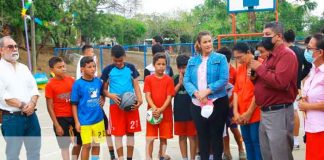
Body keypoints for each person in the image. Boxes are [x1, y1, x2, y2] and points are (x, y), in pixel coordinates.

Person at [250, 22, 298, 160]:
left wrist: (260, 68)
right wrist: (254, 77)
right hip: (265, 112)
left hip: (279, 112)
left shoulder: (287, 55)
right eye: (263, 34)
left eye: (267, 34)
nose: (264, 37)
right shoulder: (270, 55)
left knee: (280, 155)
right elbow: (265, 80)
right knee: (268, 155)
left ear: (278, 36)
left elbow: (280, 82)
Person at [184, 31, 229, 160]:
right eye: (205, 42)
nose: (208, 44)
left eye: (210, 41)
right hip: (197, 103)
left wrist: (207, 91)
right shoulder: (192, 61)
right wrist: (197, 94)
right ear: (199, 44)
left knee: (216, 135)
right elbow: (186, 80)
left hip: (218, 101)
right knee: (202, 136)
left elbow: (224, 79)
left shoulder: (221, 58)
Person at [0, 36, 41, 160]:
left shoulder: (23, 68)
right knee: (13, 154)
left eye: (16, 46)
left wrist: (32, 104)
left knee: (34, 152)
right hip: (12, 119)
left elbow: (33, 89)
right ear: (1, 50)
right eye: (10, 47)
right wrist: (23, 106)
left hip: (31, 116)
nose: (14, 49)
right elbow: (3, 96)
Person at [101, 45, 143, 160]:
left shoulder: (131, 68)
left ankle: (129, 158)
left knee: (131, 132)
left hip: (131, 105)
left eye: (121, 60)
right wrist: (110, 95)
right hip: (116, 107)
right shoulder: (108, 70)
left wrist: (140, 99)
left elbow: (136, 85)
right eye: (115, 60)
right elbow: (104, 90)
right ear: (111, 58)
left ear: (125, 56)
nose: (118, 63)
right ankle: (120, 158)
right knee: (118, 134)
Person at [45, 57, 82, 160]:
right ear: (52, 70)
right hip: (61, 119)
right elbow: (49, 107)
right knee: (64, 147)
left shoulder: (71, 80)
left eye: (64, 66)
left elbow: (79, 98)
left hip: (74, 117)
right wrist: (57, 125)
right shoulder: (50, 85)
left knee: (78, 143)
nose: (63, 69)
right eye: (59, 67)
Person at [71, 56, 106, 160]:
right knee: (86, 146)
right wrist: (77, 122)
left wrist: (103, 98)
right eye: (89, 67)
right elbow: (74, 104)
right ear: (82, 69)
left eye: (94, 66)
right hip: (85, 121)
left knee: (97, 144)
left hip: (98, 120)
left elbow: (102, 93)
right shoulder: (77, 84)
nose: (93, 69)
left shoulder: (98, 82)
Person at [231, 43, 262, 160]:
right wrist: (235, 112)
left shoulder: (259, 66)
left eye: (240, 57)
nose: (238, 60)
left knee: (256, 142)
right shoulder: (240, 69)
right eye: (236, 58)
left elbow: (259, 92)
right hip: (241, 114)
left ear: (249, 53)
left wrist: (249, 113)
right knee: (247, 142)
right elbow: (236, 91)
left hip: (255, 113)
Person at [283, 29, 312, 150]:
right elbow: (309, 66)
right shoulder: (301, 51)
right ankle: (294, 140)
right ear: (294, 38)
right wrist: (299, 76)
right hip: (295, 85)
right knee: (293, 111)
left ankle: (293, 141)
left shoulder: (284, 52)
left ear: (283, 38)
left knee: (291, 112)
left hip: (286, 85)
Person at [144, 53, 175, 160]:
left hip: (165, 113)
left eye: (163, 64)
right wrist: (154, 108)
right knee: (151, 138)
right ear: (154, 65)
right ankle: (149, 157)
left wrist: (161, 109)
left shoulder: (169, 80)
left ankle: (162, 156)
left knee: (163, 137)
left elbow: (169, 97)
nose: (161, 66)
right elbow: (147, 95)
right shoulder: (148, 79)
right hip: (152, 113)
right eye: (158, 64)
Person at [298, 33, 324, 160]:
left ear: (320, 52)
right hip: (311, 127)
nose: (306, 52)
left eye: (309, 48)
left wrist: (307, 105)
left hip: (321, 129)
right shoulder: (314, 70)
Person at [217, 47, 246, 160]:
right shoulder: (218, 71)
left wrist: (233, 104)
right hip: (220, 106)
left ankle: (241, 149)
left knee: (234, 129)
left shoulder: (234, 71)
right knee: (224, 131)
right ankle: (227, 152)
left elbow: (237, 90)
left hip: (232, 106)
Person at [173, 54, 198, 160]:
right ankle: (184, 158)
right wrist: (179, 84)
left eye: (185, 67)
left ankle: (192, 158)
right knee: (181, 137)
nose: (183, 70)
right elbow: (171, 95)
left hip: (192, 112)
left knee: (192, 137)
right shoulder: (174, 78)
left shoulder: (194, 78)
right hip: (179, 113)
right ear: (178, 68)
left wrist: (187, 83)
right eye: (181, 67)